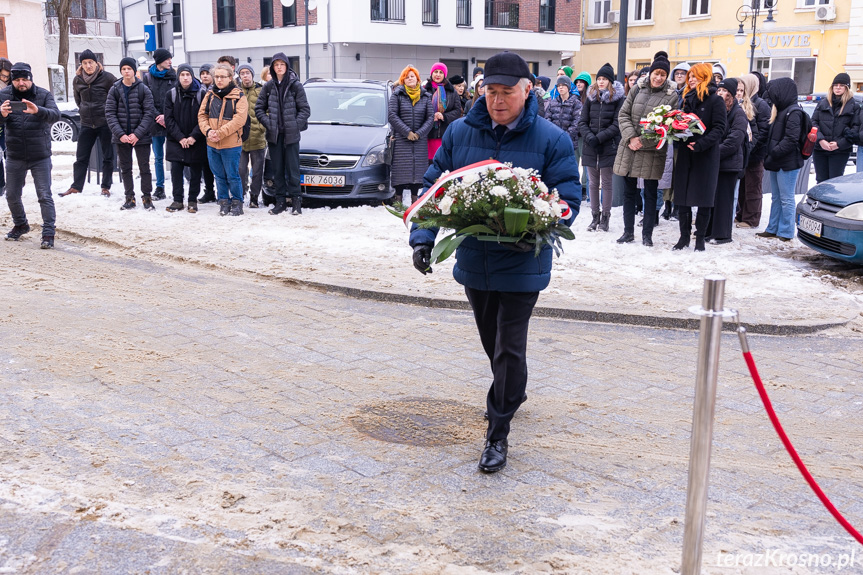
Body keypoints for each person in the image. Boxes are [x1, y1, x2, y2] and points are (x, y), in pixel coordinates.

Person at [409, 52, 581, 474]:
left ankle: (498, 434)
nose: (497, 100)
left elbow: (568, 199)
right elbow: (435, 186)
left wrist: (539, 219)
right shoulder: (459, 132)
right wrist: (422, 238)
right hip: (476, 260)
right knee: (492, 343)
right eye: (490, 92)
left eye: (506, 92)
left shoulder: (552, 139)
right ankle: (512, 393)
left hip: (524, 261)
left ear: (527, 91)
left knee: (509, 346)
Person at [613, 55, 679, 246]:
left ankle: (647, 235)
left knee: (650, 193)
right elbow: (623, 114)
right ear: (651, 73)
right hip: (630, 147)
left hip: (651, 151)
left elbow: (667, 126)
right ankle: (628, 232)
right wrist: (631, 138)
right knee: (629, 192)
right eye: (656, 73)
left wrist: (642, 141)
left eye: (663, 74)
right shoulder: (637, 89)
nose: (658, 78)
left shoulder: (671, 96)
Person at [0, 62, 60, 248]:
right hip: (15, 154)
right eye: (17, 79)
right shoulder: (3, 95)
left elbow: (56, 115)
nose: (21, 83)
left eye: (24, 79)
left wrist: (38, 110)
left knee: (44, 195)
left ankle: (48, 233)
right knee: (11, 195)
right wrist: (1, 114)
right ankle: (21, 224)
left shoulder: (43, 95)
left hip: (39, 154)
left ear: (31, 79)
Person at [672, 63, 727, 252]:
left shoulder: (715, 100)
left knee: (703, 199)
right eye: (690, 76)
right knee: (682, 198)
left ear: (705, 77)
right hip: (686, 153)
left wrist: (702, 144)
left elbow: (720, 128)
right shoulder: (686, 98)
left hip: (705, 155)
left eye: (695, 76)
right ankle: (683, 237)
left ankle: (700, 239)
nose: (691, 79)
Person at [256, 52, 310, 215]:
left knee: (293, 169)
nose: (279, 67)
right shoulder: (268, 86)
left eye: (282, 64)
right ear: (272, 68)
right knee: (278, 169)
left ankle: (296, 202)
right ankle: (280, 202)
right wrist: (268, 124)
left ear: (287, 66)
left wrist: (294, 125)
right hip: (274, 135)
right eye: (276, 65)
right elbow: (259, 108)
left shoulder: (295, 85)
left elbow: (305, 110)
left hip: (291, 136)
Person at [63, 50, 117, 198]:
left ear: (96, 63)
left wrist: (110, 114)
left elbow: (116, 97)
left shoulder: (107, 78)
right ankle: (76, 187)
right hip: (87, 123)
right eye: (85, 63)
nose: (88, 66)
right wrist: (84, 111)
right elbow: (78, 100)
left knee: (108, 156)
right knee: (81, 157)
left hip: (105, 122)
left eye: (90, 62)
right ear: (81, 65)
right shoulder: (77, 80)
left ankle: (105, 187)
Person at [105, 57, 156, 211]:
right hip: (122, 137)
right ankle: (129, 197)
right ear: (121, 71)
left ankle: (147, 196)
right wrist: (120, 134)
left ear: (134, 70)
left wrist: (137, 134)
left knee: (144, 167)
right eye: (124, 69)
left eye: (129, 68)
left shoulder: (143, 89)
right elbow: (110, 113)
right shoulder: (114, 89)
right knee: (125, 167)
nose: (126, 71)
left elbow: (149, 113)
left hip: (141, 136)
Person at [757, 77, 804, 242]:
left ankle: (786, 231)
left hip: (788, 163)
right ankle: (772, 228)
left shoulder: (794, 112)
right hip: (778, 161)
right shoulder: (780, 110)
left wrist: (774, 153)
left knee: (787, 198)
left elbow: (791, 139)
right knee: (776, 197)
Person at [198, 63, 248, 217]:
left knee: (232, 175)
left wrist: (220, 132)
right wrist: (208, 131)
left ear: (230, 77)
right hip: (212, 143)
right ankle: (223, 202)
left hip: (231, 143)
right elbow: (202, 115)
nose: (219, 80)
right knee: (218, 175)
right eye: (217, 77)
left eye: (222, 77)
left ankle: (237, 202)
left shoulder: (238, 95)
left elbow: (239, 120)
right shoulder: (210, 94)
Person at [579, 63, 624, 232]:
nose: (601, 82)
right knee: (592, 183)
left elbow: (617, 123)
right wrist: (590, 138)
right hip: (591, 146)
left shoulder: (618, 99)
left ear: (610, 81)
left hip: (608, 146)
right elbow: (582, 121)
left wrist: (600, 138)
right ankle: (594, 216)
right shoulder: (591, 97)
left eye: (604, 79)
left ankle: (605, 216)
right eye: (599, 79)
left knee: (606, 183)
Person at [707, 78, 749, 245]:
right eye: (719, 91)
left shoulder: (739, 113)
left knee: (724, 200)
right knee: (713, 199)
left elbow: (734, 140)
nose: (721, 94)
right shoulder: (718, 110)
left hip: (729, 163)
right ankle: (710, 231)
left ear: (732, 95)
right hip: (716, 162)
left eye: (725, 92)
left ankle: (723, 234)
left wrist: (714, 153)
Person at [163, 63, 206, 213]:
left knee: (195, 171)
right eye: (182, 75)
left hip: (196, 139)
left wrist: (194, 136)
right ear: (178, 76)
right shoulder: (171, 94)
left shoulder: (202, 94)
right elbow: (168, 119)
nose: (185, 77)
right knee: (176, 170)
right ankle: (177, 200)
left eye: (188, 74)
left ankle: (193, 200)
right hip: (176, 139)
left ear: (192, 76)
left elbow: (204, 118)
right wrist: (180, 137)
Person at [388, 65, 433, 205]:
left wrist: (419, 134)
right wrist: (406, 132)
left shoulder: (425, 96)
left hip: (419, 141)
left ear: (417, 78)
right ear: (403, 80)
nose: (410, 79)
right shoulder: (397, 95)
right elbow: (392, 115)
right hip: (402, 140)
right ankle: (398, 200)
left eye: (412, 76)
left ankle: (415, 200)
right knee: (401, 172)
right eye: (407, 77)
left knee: (418, 173)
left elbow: (430, 117)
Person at [141, 48, 177, 201]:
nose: (170, 61)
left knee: (175, 156)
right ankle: (160, 187)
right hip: (155, 123)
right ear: (159, 61)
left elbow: (177, 100)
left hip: (171, 122)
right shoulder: (148, 78)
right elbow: (146, 101)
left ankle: (177, 187)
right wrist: (158, 116)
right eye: (167, 59)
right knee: (158, 157)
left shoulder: (175, 76)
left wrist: (166, 117)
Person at [736, 73, 770, 229]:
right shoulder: (743, 101)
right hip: (744, 154)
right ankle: (741, 214)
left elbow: (763, 131)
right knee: (743, 186)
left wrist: (751, 147)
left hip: (755, 154)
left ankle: (751, 219)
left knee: (753, 187)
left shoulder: (761, 104)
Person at [811, 73, 860, 183]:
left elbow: (855, 129)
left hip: (840, 151)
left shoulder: (853, 106)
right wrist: (821, 140)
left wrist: (839, 144)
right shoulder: (823, 103)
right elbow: (813, 122)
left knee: (835, 181)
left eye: (841, 85)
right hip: (820, 149)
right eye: (835, 85)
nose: (838, 87)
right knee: (820, 181)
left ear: (847, 88)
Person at [237, 63, 267, 208]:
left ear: (252, 74)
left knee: (257, 171)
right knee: (241, 170)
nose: (245, 76)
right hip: (240, 139)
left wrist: (263, 127)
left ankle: (254, 197)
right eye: (242, 73)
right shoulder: (236, 91)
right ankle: (241, 194)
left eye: (247, 73)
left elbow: (267, 110)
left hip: (258, 137)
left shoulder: (261, 90)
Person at [424, 63, 462, 164]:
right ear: (431, 73)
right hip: (428, 134)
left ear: (444, 75)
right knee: (428, 164)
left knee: (442, 163)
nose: (438, 74)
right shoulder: (424, 90)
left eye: (441, 72)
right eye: (436, 72)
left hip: (445, 133)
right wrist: (431, 116)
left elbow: (458, 111)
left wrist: (444, 116)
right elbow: (419, 110)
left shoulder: (451, 91)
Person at [546, 75, 582, 159]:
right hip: (554, 140)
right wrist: (554, 135)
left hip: (570, 142)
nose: (560, 87)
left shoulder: (576, 103)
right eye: (558, 86)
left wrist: (565, 136)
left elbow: (577, 122)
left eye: (563, 85)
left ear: (568, 87)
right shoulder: (553, 102)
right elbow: (547, 119)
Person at [0, 58, 10, 197]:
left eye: (7, 76)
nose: (5, 78)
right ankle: (1, 184)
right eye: (2, 75)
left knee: (10, 155)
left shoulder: (11, 87)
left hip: (8, 125)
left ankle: (13, 183)